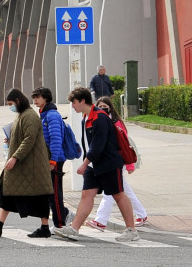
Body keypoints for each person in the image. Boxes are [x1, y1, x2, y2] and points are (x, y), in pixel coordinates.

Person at [53, 87, 139, 242]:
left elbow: (98, 146)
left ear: (83, 101)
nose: (72, 106)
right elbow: (90, 145)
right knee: (87, 195)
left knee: (118, 194)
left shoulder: (99, 117)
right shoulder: (85, 118)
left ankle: (131, 230)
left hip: (108, 164)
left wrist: (84, 164)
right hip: (94, 165)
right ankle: (74, 229)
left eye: (74, 102)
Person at [0, 89, 54, 238]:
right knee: (6, 192)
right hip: (23, 165)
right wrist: (10, 139)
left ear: (18, 101)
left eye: (11, 104)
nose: (10, 107)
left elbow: (29, 139)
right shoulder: (22, 114)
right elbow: (21, 136)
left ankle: (44, 227)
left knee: (39, 196)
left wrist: (15, 157)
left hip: (31, 165)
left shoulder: (30, 116)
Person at [86, 96, 148, 231]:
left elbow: (125, 144)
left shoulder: (116, 122)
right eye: (100, 106)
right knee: (123, 191)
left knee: (111, 192)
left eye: (105, 106)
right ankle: (141, 214)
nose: (102, 109)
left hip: (116, 161)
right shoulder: (101, 120)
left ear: (110, 107)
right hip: (111, 162)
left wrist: (130, 164)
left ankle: (101, 220)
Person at [31, 87, 73, 228]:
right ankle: (65, 214)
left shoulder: (52, 115)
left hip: (54, 160)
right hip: (47, 159)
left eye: (38, 97)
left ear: (46, 98)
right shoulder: (44, 114)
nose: (35, 100)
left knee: (54, 193)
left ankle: (60, 223)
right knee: (50, 193)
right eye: (34, 97)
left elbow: (56, 140)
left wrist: (53, 161)